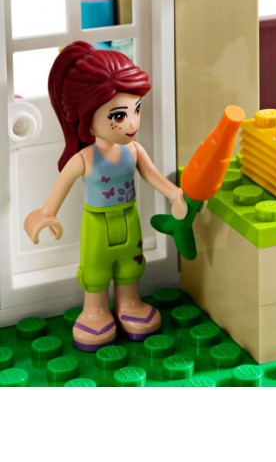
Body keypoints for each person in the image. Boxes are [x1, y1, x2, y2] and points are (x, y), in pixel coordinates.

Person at [24, 41, 187, 351]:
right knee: (95, 270)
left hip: (129, 218)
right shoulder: (84, 159)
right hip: (97, 225)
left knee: (130, 265)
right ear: (87, 118)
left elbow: (152, 175)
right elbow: (59, 189)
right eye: (119, 116)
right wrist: (45, 214)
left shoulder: (133, 150)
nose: (132, 123)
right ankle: (94, 310)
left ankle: (129, 303)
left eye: (136, 110)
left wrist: (175, 194)